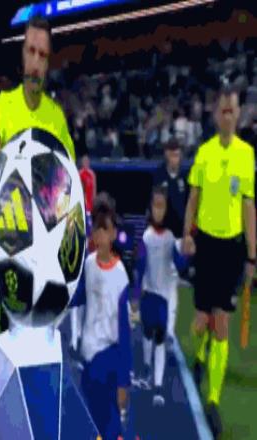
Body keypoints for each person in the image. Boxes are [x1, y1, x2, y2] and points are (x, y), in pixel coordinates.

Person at [0, 15, 75, 332]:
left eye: (43, 55)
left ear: (48, 63)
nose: (35, 63)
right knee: (12, 346)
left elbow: (70, 190)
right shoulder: (3, 106)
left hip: (48, 264)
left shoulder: (56, 118)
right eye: (31, 52)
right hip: (12, 256)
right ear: (22, 55)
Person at [182, 84, 255, 438]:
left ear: (238, 114)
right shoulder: (204, 152)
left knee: (222, 322)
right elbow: (193, 199)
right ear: (216, 114)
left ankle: (212, 400)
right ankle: (197, 357)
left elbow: (248, 206)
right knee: (201, 320)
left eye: (232, 110)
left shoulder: (246, 155)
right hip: (206, 246)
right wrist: (187, 233)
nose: (227, 116)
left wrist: (253, 255)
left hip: (232, 250)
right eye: (222, 110)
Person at [71, 193, 132, 439]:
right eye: (96, 229)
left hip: (108, 358)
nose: (100, 235)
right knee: (92, 421)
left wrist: (123, 382)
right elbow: (78, 296)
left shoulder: (120, 276)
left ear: (114, 234)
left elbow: (125, 334)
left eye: (105, 230)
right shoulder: (88, 264)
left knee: (109, 425)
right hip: (88, 356)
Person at [134, 186, 192, 406]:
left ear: (167, 209)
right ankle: (146, 369)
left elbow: (180, 264)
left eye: (162, 206)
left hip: (163, 298)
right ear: (150, 208)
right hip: (148, 294)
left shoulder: (170, 238)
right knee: (147, 333)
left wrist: (187, 254)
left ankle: (158, 386)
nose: (158, 210)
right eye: (155, 206)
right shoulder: (146, 237)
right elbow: (140, 266)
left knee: (159, 338)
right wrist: (136, 294)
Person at [153, 139, 189, 341]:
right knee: (159, 280)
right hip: (162, 235)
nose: (175, 157)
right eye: (172, 153)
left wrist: (188, 233)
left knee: (173, 281)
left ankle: (169, 329)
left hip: (178, 237)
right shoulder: (159, 175)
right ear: (166, 154)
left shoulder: (184, 176)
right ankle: (158, 321)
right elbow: (154, 203)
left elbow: (190, 205)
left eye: (178, 153)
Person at [79, 155, 97, 249]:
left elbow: (94, 189)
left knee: (91, 226)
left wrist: (93, 202)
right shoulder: (80, 173)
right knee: (85, 225)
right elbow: (80, 190)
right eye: (84, 161)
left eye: (87, 161)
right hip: (84, 205)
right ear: (82, 163)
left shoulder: (92, 174)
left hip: (90, 205)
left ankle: (90, 243)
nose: (86, 163)